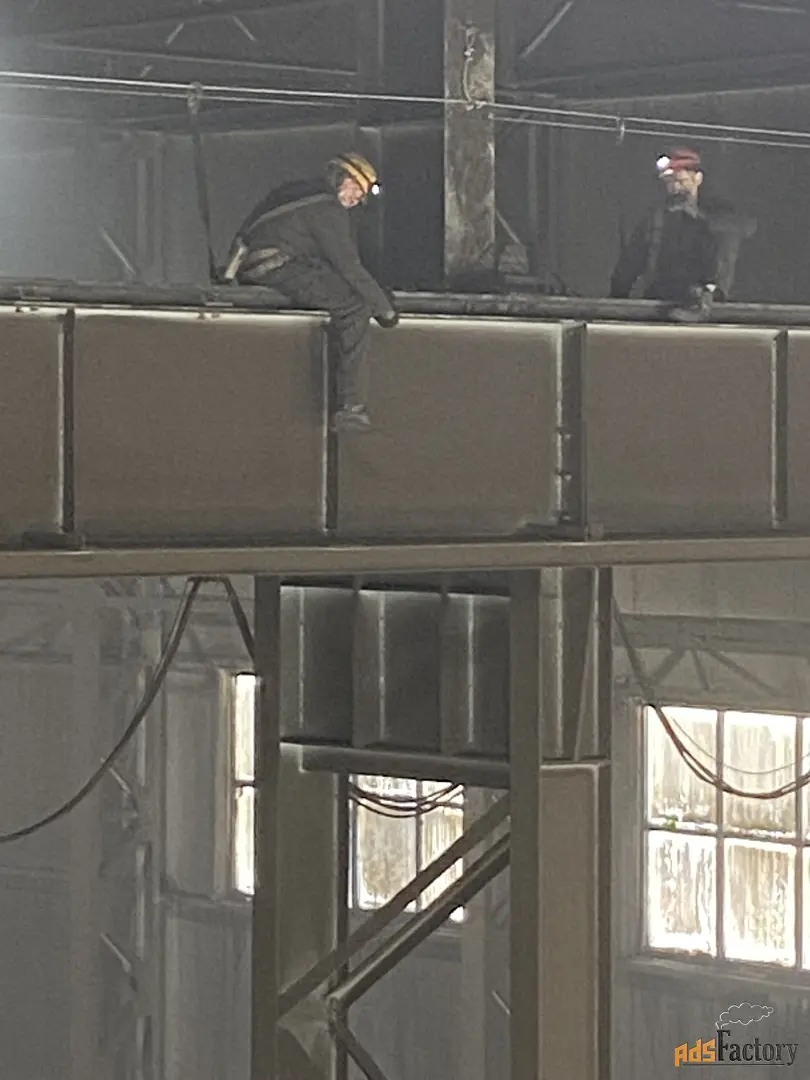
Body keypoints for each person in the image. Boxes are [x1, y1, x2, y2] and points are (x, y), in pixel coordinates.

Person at [223, 152, 399, 431]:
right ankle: (351, 406)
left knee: (341, 289)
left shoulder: (299, 194)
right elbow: (348, 266)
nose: (358, 198)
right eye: (357, 188)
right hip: (276, 265)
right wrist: (384, 309)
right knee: (355, 308)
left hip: (255, 264)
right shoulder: (327, 210)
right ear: (342, 177)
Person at [609, 147, 756, 320]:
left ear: (698, 178)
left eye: (680, 181)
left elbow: (742, 231)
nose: (674, 188)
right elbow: (630, 263)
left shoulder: (720, 216)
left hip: (710, 308)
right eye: (669, 183)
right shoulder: (656, 219)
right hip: (659, 305)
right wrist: (615, 304)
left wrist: (697, 218)